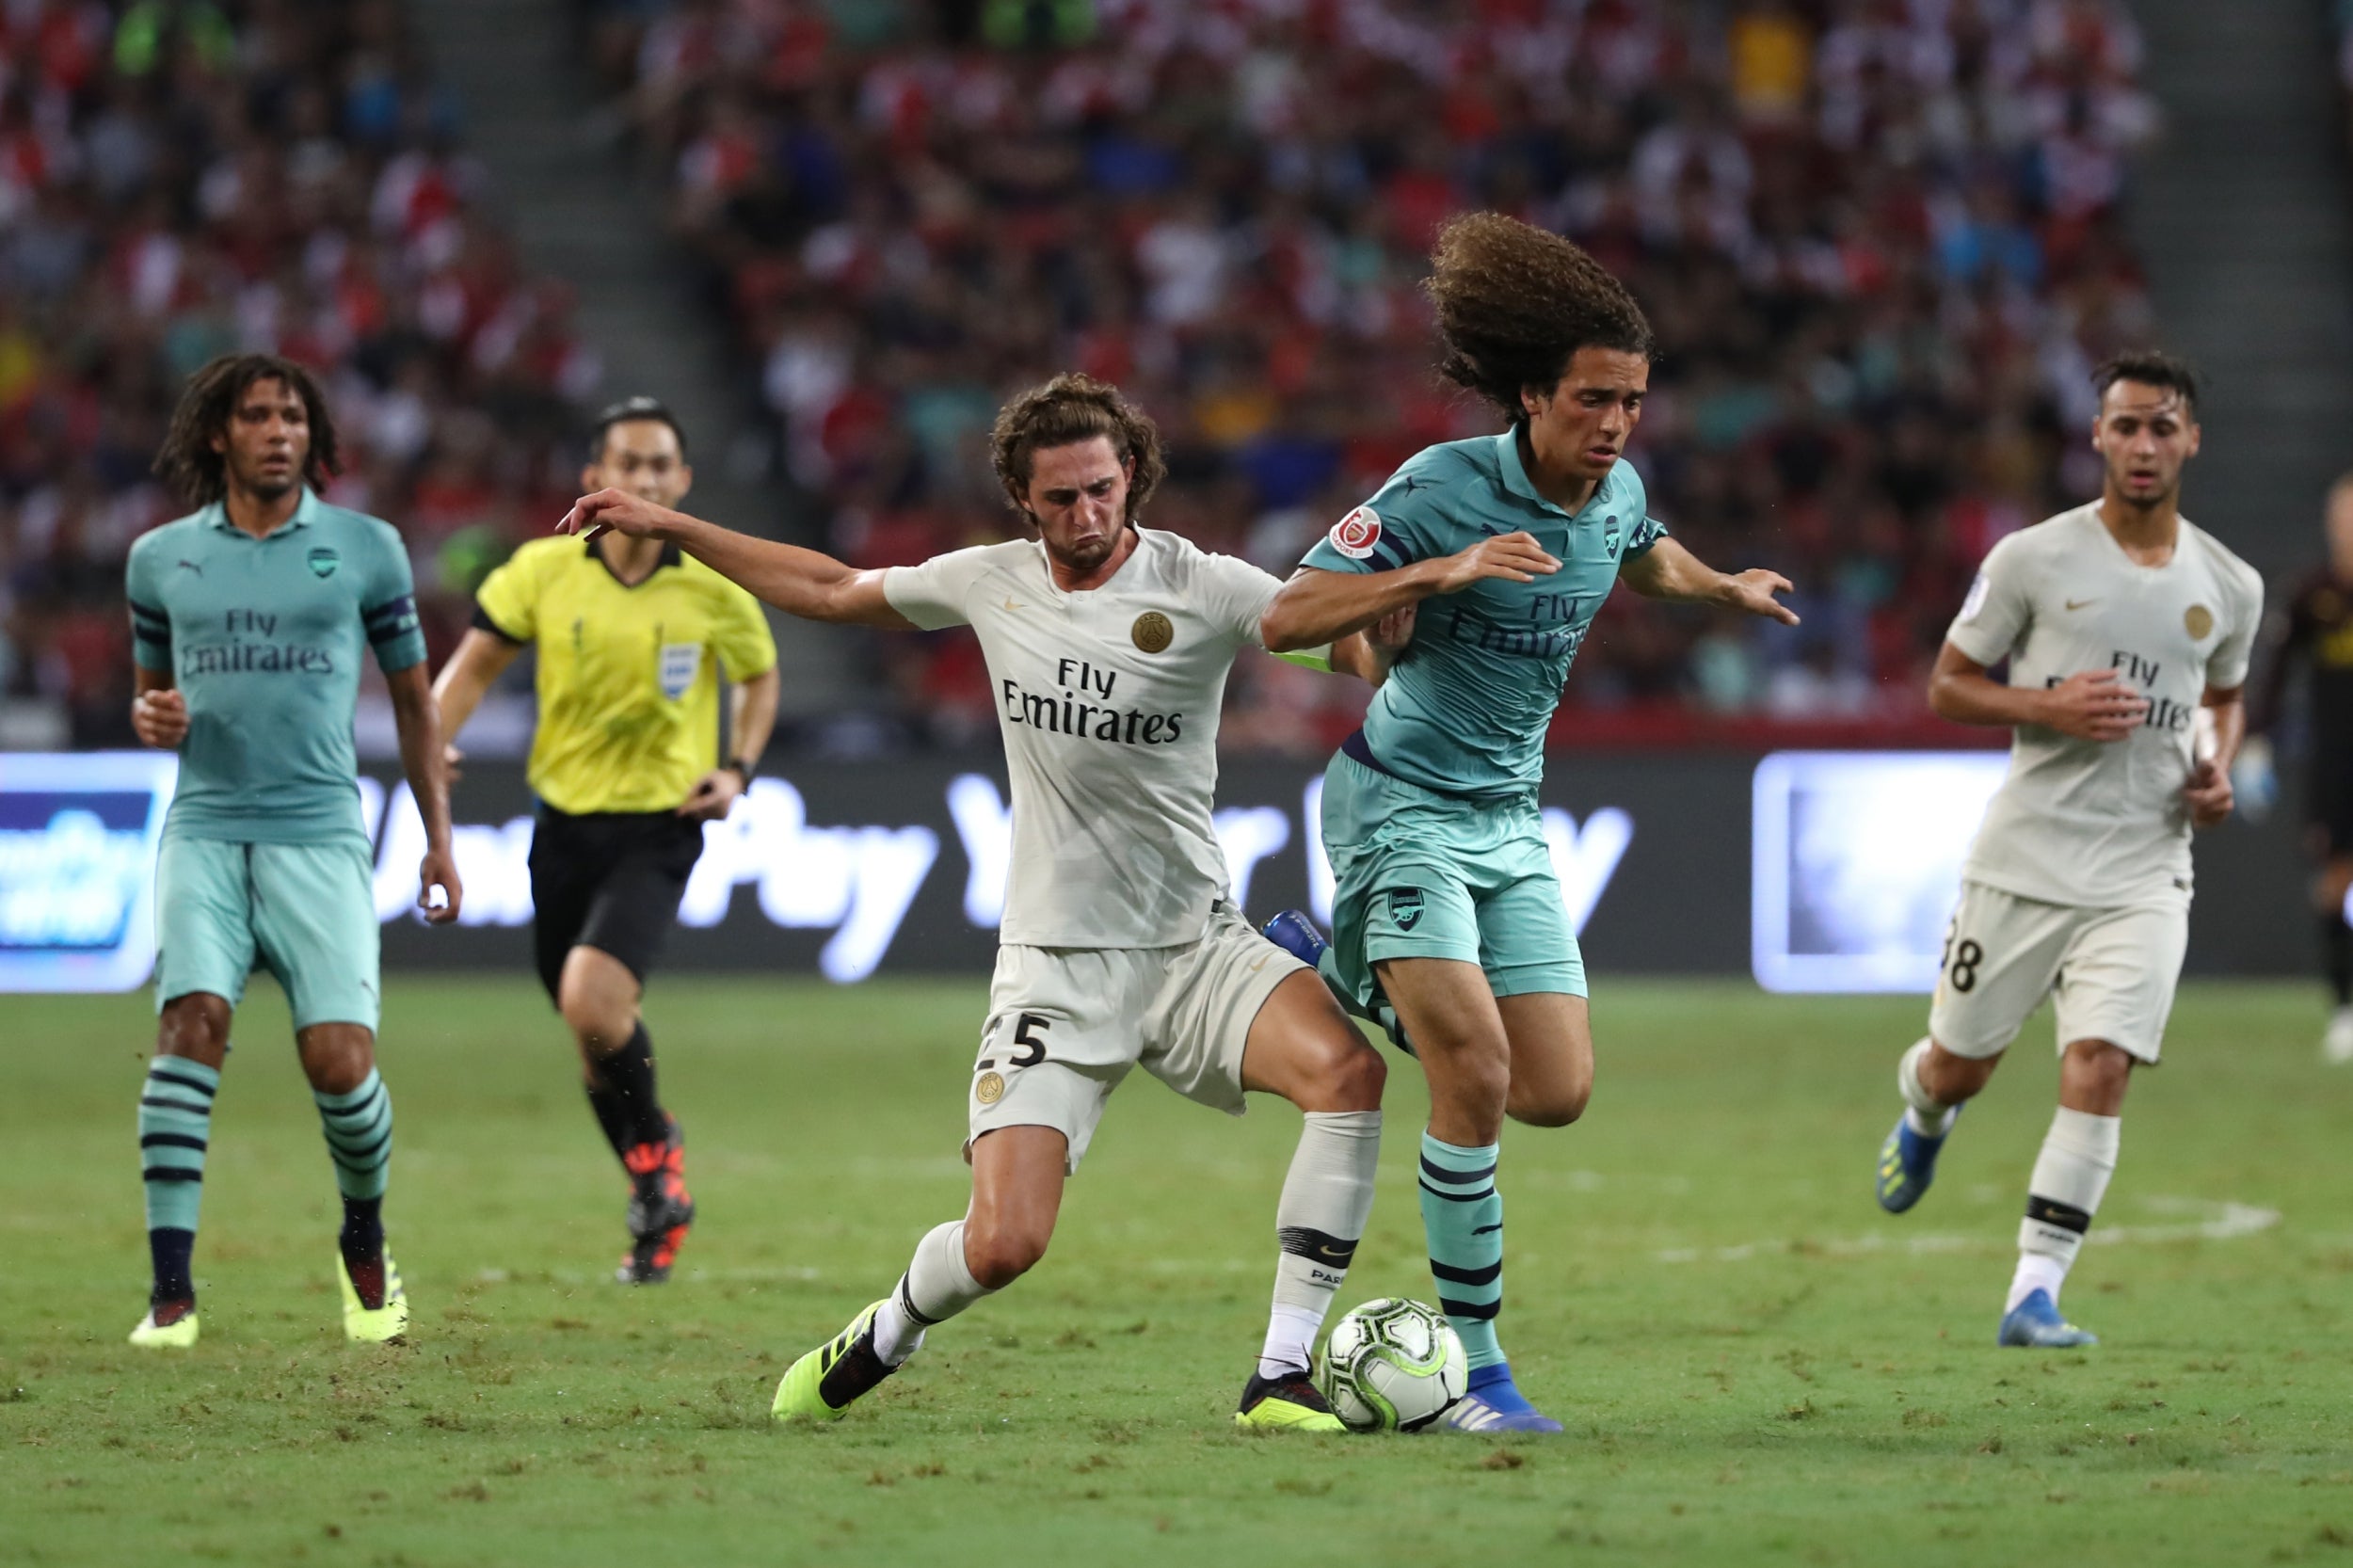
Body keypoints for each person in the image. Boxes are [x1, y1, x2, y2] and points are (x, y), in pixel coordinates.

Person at [562, 373, 1421, 1431]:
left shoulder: (1202, 582)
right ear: (1023, 499)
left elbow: (1328, 637)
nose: (1086, 514)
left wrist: (1393, 625)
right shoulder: (988, 580)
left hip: (1195, 943)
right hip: (1055, 969)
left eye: (1102, 489)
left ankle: (1279, 1374)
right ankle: (887, 1330)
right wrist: (673, 525)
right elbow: (832, 590)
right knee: (1003, 1244)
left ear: (1133, 477)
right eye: (1060, 498)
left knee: (1348, 1072)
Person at [1255, 213, 1799, 1432]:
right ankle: (1483, 1370)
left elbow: (1639, 549)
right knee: (1478, 1076)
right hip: (1398, 803)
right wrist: (1434, 574)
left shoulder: (1619, 492)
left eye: (1634, 402)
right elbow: (1288, 616)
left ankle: (1333, 959)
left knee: (1556, 1089)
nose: (1615, 423)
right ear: (1532, 397)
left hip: (1510, 821)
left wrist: (1723, 586)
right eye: (1594, 399)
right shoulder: (1441, 487)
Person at [1872, 350, 2263, 1348]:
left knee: (2099, 1063)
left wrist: (2216, 767)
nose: (2142, 444)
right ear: (2095, 435)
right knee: (1963, 1067)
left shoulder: (2229, 583)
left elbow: (2222, 698)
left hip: (2146, 863)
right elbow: (1948, 683)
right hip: (2027, 857)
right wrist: (2044, 704)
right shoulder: (2031, 560)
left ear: (2191, 439)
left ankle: (2031, 1293)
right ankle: (1923, 1111)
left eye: (2161, 426)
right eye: (2125, 425)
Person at [123, 352, 462, 1349]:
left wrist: (438, 841)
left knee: (340, 1062)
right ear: (219, 434)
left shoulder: (365, 549)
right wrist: (151, 716)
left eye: (294, 417)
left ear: (313, 436)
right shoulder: (159, 558)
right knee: (190, 1024)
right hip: (207, 828)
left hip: (319, 832)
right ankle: (171, 1297)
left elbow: (412, 702)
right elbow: (151, 701)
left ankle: (363, 1237)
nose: (280, 431)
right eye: (258, 415)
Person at [433, 397, 779, 1283]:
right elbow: (472, 667)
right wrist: (429, 738)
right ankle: (655, 1192)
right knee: (589, 1030)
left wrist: (737, 767)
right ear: (594, 481)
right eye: (630, 463)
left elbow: (760, 676)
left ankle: (657, 1149)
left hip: (661, 826)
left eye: (662, 464)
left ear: (685, 482)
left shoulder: (712, 585)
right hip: (562, 828)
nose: (647, 479)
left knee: (590, 1002)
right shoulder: (542, 572)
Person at [2244, 472, 2353, 1061]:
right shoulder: (2314, 595)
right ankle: (2345, 1009)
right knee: (2334, 885)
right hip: (2336, 764)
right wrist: (2257, 741)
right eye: (2345, 518)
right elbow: (2278, 673)